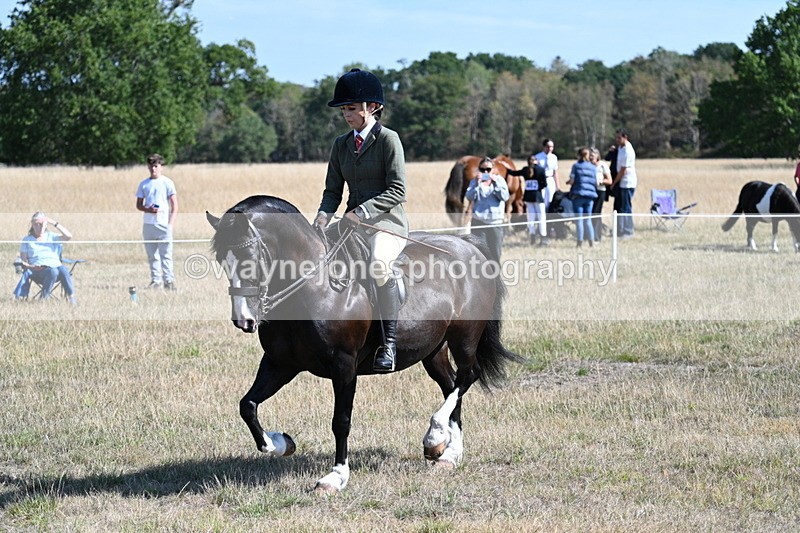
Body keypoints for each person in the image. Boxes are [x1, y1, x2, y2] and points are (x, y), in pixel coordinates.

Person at [314, 68, 408, 373]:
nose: (346, 114)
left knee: (379, 264)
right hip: (350, 225)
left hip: (387, 224)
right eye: (343, 109)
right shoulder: (340, 144)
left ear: (372, 107)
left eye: (352, 108)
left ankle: (389, 344)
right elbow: (332, 191)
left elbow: (398, 190)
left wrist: (363, 212)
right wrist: (323, 216)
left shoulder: (389, 140)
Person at [135, 153, 178, 290]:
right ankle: (156, 280)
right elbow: (139, 205)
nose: (153, 169)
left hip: (164, 224)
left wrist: (170, 224)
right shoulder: (144, 184)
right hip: (149, 224)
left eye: (155, 166)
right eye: (151, 166)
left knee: (166, 255)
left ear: (161, 167)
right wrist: (148, 209)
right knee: (152, 255)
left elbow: (174, 205)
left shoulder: (167, 182)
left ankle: (169, 281)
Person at [13, 212, 77, 303]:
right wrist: (31, 267)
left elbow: (68, 236)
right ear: (32, 225)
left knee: (63, 269)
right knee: (53, 271)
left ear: (46, 225)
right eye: (36, 224)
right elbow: (23, 262)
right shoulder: (27, 240)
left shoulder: (52, 236)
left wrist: (53, 223)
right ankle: (43, 298)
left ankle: (71, 298)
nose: (38, 227)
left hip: (57, 268)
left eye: (41, 224)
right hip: (38, 271)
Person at [464, 157, 510, 261]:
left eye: (488, 169)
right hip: (478, 222)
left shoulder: (500, 180)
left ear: (493, 169)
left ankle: (495, 272)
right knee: (479, 254)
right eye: (482, 169)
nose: (485, 172)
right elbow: (469, 197)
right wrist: (476, 184)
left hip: (495, 223)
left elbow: (505, 197)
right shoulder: (474, 181)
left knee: (495, 254)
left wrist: (495, 183)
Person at [507, 155, 548, 246]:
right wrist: (538, 188)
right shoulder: (541, 170)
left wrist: (506, 168)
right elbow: (544, 184)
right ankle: (543, 238)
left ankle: (532, 238)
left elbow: (514, 173)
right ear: (536, 161)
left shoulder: (525, 170)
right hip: (537, 197)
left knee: (531, 218)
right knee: (541, 217)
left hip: (528, 197)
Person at [566, 148, 598, 247]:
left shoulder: (576, 166)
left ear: (579, 155)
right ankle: (591, 242)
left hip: (578, 195)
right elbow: (596, 182)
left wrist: (568, 182)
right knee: (588, 219)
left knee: (579, 220)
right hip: (590, 196)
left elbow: (572, 180)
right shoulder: (593, 167)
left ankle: (579, 242)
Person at [611, 129, 637, 238]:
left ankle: (628, 230)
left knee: (626, 207)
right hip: (621, 182)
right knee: (619, 207)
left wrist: (614, 183)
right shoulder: (620, 148)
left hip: (627, 182)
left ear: (625, 137)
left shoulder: (628, 150)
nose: (617, 140)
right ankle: (619, 229)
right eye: (616, 138)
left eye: (619, 138)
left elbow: (623, 170)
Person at [590, 147, 613, 241]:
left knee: (596, 212)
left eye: (592, 155)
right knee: (590, 212)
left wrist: (601, 181)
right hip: (590, 191)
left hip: (600, 191)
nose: (590, 157)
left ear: (597, 156)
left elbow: (609, 180)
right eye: (589, 155)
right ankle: (590, 234)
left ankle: (596, 236)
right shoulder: (588, 165)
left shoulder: (602, 165)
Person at [534, 138, 560, 210]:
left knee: (550, 199)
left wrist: (557, 186)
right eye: (548, 147)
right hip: (541, 180)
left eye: (551, 147)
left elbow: (555, 172)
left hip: (550, 179)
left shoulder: (554, 157)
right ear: (544, 147)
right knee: (541, 199)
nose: (550, 149)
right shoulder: (537, 157)